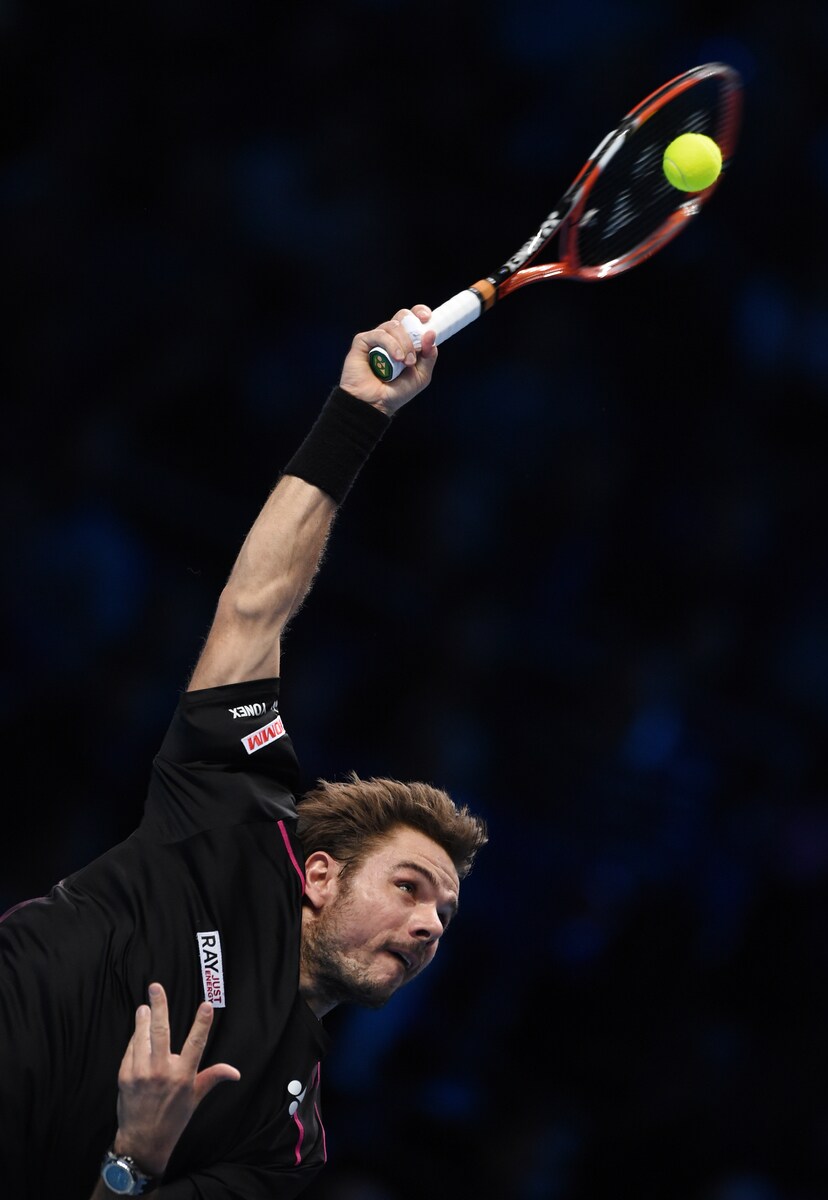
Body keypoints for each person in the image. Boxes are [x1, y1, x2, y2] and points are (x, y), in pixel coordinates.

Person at [0, 306, 488, 1199]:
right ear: (321, 874)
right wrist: (357, 413)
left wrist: (133, 1160)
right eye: (411, 887)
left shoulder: (287, 1145)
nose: (430, 927)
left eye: (444, 919)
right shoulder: (229, 824)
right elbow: (256, 608)